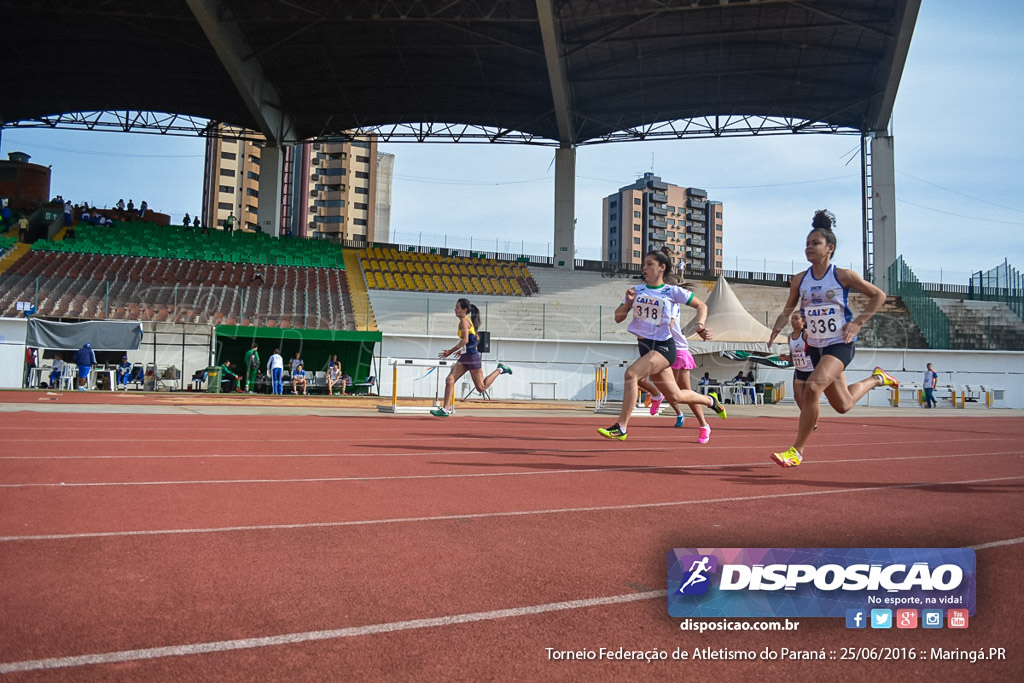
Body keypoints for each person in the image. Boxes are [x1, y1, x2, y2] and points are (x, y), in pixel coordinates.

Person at [766, 209, 899, 468]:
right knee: (843, 405)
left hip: (839, 344)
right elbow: (788, 309)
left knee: (812, 388)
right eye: (806, 244)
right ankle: (878, 378)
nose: (809, 248)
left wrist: (858, 322)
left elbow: (879, 296)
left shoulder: (842, 276)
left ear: (830, 248)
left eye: (815, 243)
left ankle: (797, 451)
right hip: (815, 347)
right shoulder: (800, 280)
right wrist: (776, 328)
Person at [597, 250, 726, 440]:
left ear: (661, 268)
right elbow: (618, 318)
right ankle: (710, 400)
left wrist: (700, 325)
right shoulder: (636, 291)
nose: (644, 268)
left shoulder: (672, 291)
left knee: (631, 374)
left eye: (649, 264)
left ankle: (621, 427)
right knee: (676, 397)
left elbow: (702, 306)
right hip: (645, 347)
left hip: (664, 348)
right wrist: (628, 303)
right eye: (644, 264)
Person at [430, 298, 512, 417]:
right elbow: (471, 340)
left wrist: (450, 351)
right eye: (455, 307)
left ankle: (500, 369)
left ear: (464, 310)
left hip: (472, 357)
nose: (455, 309)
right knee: (449, 380)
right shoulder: (465, 320)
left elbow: (465, 340)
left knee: (481, 388)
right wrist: (462, 351)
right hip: (465, 357)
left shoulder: (464, 321)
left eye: (457, 308)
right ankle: (445, 409)